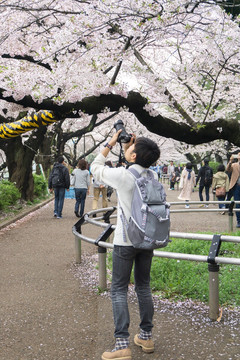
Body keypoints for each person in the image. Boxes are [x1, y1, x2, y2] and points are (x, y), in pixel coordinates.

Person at [91, 131, 160, 360]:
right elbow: (135, 163)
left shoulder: (124, 175)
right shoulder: (153, 177)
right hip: (147, 240)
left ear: (133, 156)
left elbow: (96, 167)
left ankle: (122, 343)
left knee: (119, 289)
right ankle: (146, 337)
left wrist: (111, 143)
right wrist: (134, 150)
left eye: (133, 147)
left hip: (125, 241)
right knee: (143, 286)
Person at [226, 153, 240, 227]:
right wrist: (230, 161)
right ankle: (239, 221)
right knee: (238, 203)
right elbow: (227, 169)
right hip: (236, 186)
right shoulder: (234, 165)